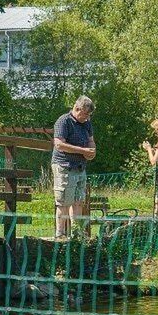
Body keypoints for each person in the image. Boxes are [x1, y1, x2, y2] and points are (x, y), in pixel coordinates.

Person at [51, 96, 96, 240]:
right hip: (64, 166)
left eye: (89, 115)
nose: (87, 117)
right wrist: (83, 151)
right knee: (64, 201)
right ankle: (60, 234)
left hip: (80, 167)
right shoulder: (63, 121)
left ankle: (76, 234)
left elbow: (91, 141)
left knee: (78, 201)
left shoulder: (87, 123)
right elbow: (59, 144)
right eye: (85, 114)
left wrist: (92, 152)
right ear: (77, 109)